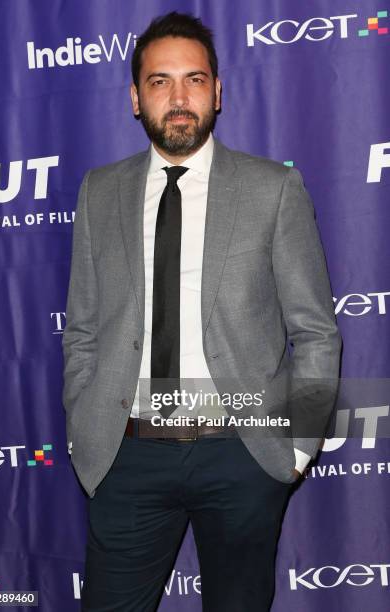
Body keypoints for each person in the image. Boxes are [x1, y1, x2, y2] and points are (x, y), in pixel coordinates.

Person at [62, 11, 341, 612]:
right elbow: (81, 328)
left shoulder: (273, 189)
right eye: (160, 81)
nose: (179, 96)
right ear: (136, 98)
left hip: (242, 450)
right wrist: (86, 420)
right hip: (126, 451)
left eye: (195, 79)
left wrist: (294, 447)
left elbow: (316, 330)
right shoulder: (99, 191)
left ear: (219, 91)